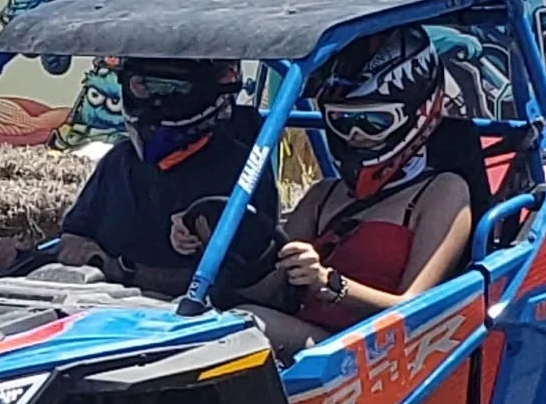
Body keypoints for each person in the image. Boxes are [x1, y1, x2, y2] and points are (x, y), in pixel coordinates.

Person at [173, 24, 474, 359]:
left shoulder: (442, 191)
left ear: (416, 112)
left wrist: (330, 284)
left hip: (379, 354)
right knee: (208, 323)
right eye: (342, 122)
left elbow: (415, 310)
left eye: (373, 122)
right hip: (311, 352)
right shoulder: (323, 195)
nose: (356, 135)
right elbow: (267, 290)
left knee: (248, 327)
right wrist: (208, 242)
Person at [0, 57, 281, 298]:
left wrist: (121, 271)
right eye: (142, 87)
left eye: (172, 89)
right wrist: (34, 257)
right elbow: (76, 235)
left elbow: (233, 284)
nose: (155, 101)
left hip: (181, 325)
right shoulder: (119, 161)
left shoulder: (241, 167)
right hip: (95, 310)